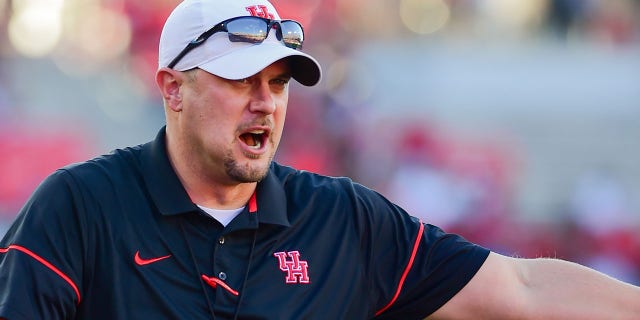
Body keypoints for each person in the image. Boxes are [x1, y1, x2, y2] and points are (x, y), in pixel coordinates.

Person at [1, 0, 639, 319]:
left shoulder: (344, 220)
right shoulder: (79, 206)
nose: (266, 103)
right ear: (173, 88)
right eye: (240, 80)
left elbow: (520, 289)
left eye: (278, 84)